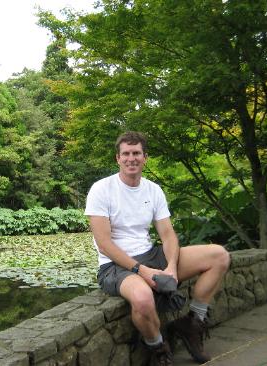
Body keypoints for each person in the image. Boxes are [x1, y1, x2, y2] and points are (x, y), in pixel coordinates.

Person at [85, 131, 230, 365]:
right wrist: (143, 272)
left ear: (145, 158)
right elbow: (104, 244)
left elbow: (168, 234)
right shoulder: (101, 189)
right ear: (117, 159)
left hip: (152, 255)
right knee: (142, 298)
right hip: (115, 266)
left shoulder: (153, 190)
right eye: (126, 154)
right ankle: (159, 349)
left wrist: (171, 267)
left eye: (136, 153)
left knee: (219, 256)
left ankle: (192, 324)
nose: (131, 158)